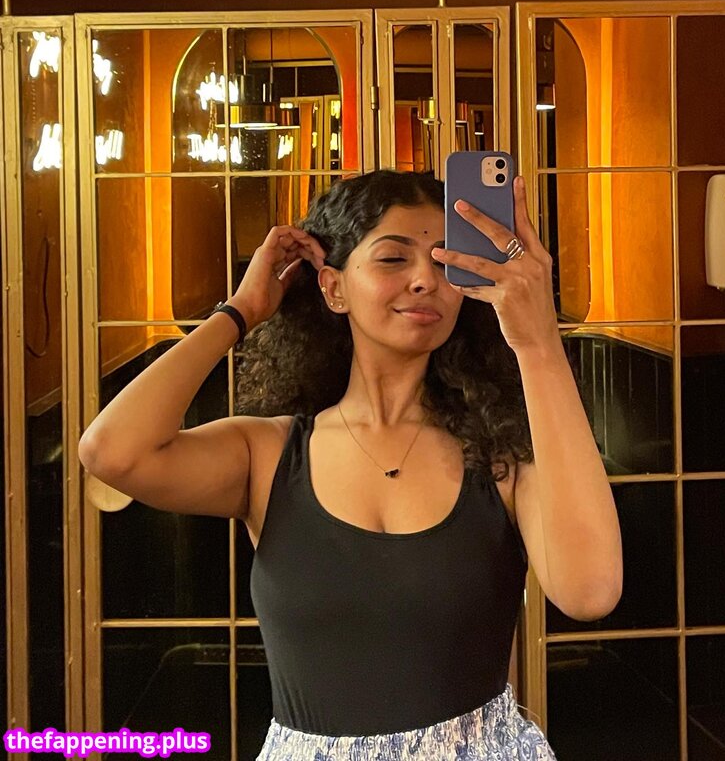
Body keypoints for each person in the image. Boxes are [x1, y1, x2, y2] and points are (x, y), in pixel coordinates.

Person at [80, 168, 622, 759]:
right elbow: (111, 452)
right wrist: (241, 310)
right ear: (333, 288)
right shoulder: (268, 454)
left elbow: (590, 592)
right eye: (393, 258)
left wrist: (538, 342)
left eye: (445, 262)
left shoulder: (500, 456)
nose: (425, 279)